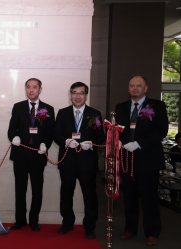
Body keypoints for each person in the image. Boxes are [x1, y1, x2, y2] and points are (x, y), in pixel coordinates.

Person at [115, 75, 168, 246]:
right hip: (127, 159)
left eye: (139, 85)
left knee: (149, 197)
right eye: (132, 85)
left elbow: (161, 131)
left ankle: (152, 231)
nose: (135, 88)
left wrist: (138, 143)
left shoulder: (157, 106)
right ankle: (130, 228)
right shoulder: (121, 107)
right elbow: (118, 131)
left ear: (145, 88)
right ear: (128, 88)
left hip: (148, 159)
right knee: (129, 196)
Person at [53, 82, 105, 239]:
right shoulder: (62, 113)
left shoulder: (94, 114)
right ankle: (67, 222)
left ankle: (90, 226)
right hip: (67, 161)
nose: (77, 96)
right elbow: (56, 134)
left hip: (87, 162)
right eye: (74, 93)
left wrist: (92, 145)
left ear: (86, 96)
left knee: (89, 194)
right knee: (66, 192)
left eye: (81, 93)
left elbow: (100, 137)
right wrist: (66, 141)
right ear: (70, 95)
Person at [7, 78, 55, 232]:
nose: (31, 90)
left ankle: (34, 220)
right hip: (20, 154)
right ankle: (20, 220)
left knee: (37, 189)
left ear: (40, 89)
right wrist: (13, 137)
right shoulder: (18, 107)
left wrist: (45, 145)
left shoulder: (48, 109)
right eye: (28, 87)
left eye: (34, 87)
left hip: (38, 155)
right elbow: (11, 129)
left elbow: (50, 132)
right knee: (20, 189)